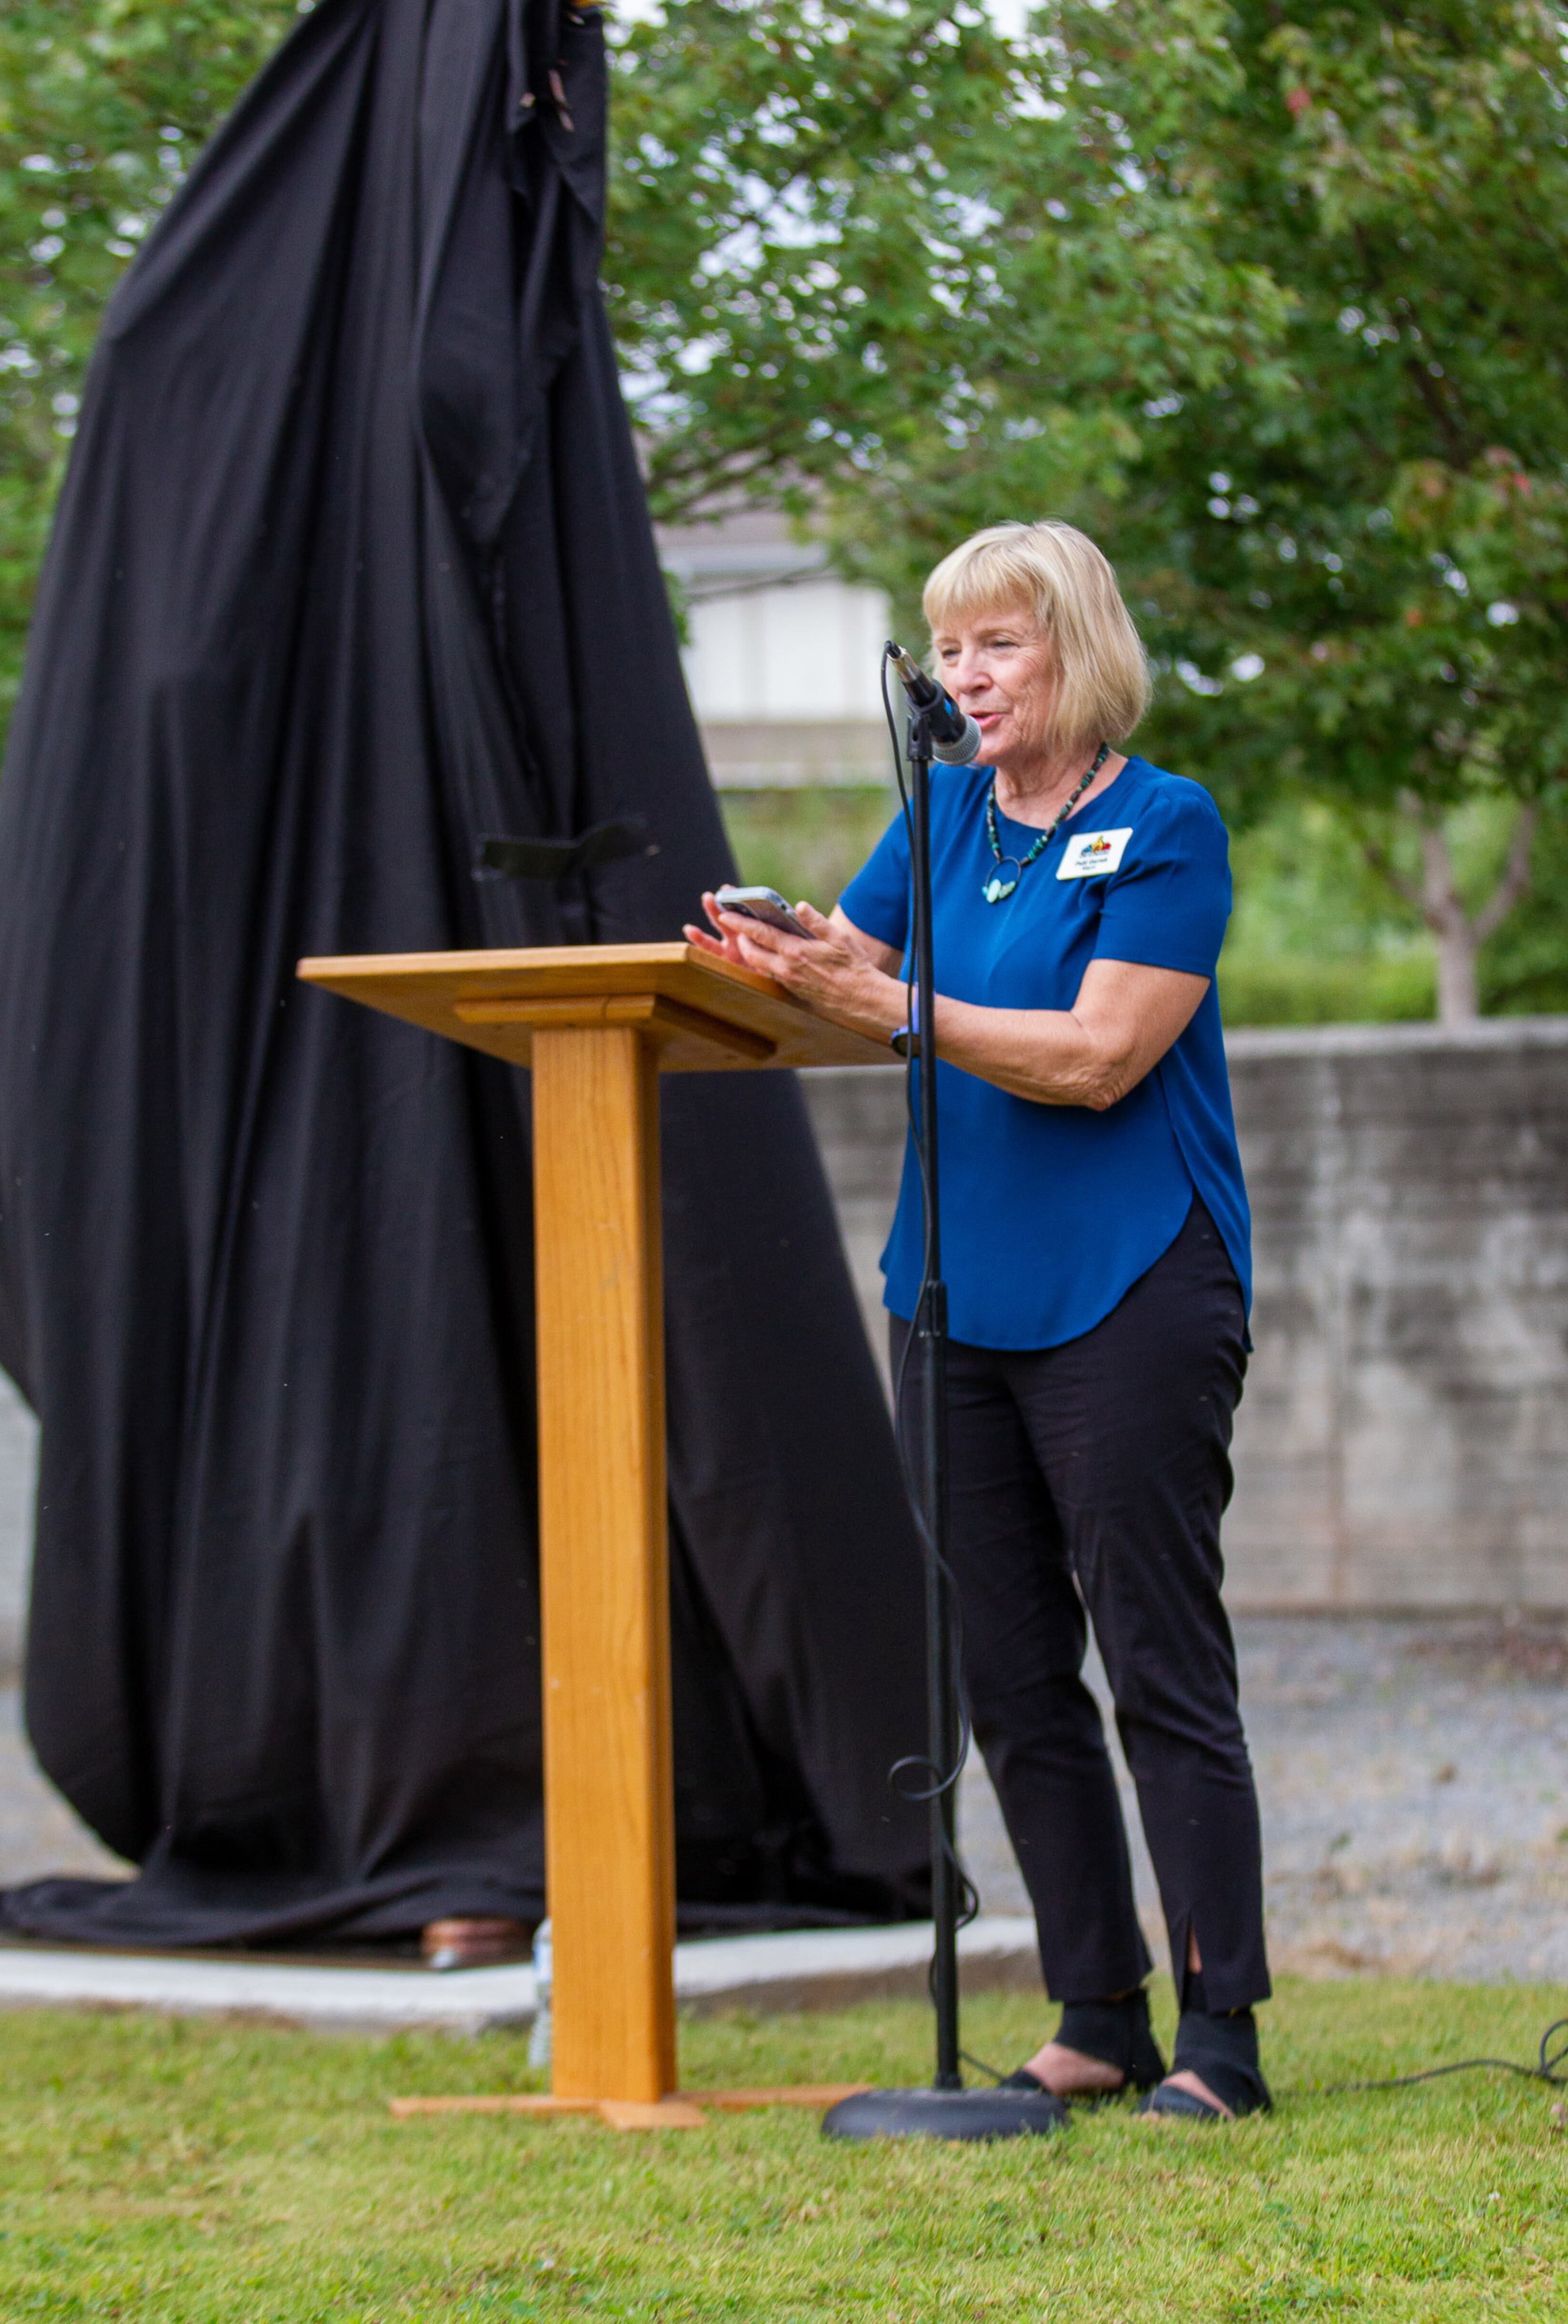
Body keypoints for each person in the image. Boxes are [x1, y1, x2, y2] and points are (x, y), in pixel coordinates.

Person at [687, 518, 1270, 2121]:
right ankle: (1098, 2012)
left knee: (1158, 1662)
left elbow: (1095, 1056)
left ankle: (1223, 2039)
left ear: (1075, 648)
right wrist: (775, 957)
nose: (965, 675)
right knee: (1010, 1672)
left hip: (1132, 1284)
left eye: (997, 644)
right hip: (951, 1292)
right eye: (948, 650)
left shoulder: (1167, 827)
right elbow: (853, 967)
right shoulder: (938, 819)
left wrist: (887, 1007)